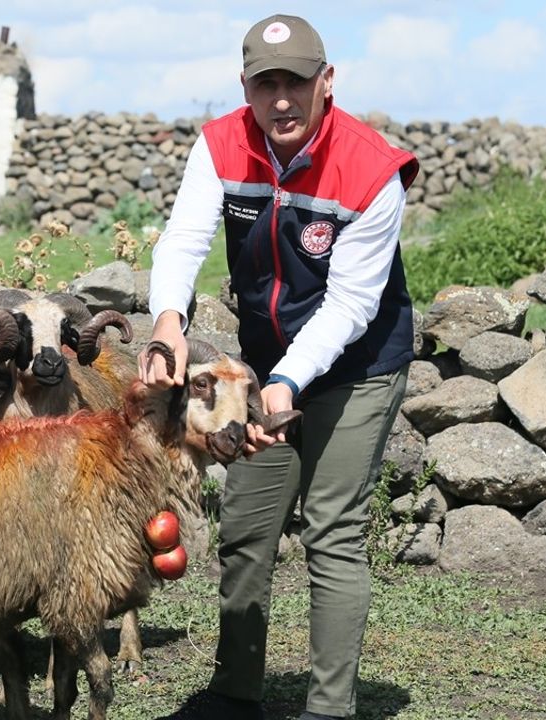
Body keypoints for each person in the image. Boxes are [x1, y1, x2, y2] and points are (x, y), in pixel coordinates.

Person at [140, 14, 418, 720]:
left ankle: (328, 708)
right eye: (267, 84)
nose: (283, 99)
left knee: (331, 528)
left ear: (327, 82)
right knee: (247, 524)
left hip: (357, 362)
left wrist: (286, 385)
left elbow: (351, 305)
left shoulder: (371, 169)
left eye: (296, 81)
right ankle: (235, 692)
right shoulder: (220, 145)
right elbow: (183, 240)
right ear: (246, 88)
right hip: (265, 366)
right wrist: (168, 320)